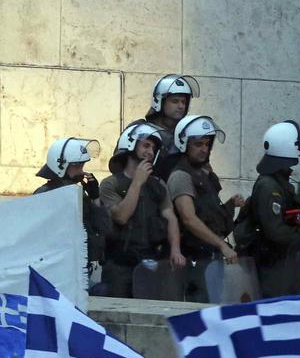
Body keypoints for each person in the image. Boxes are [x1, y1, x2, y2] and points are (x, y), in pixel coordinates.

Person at [239, 121, 300, 299]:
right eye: (298, 145)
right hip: (271, 264)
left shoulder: (278, 181)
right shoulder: (269, 186)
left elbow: (285, 212)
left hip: (281, 260)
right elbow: (275, 230)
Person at [100, 119, 186, 298]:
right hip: (120, 266)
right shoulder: (111, 184)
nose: (150, 152)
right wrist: (137, 183)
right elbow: (121, 216)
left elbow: (170, 216)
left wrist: (175, 250)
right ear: (130, 144)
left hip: (151, 263)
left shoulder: (158, 184)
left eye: (153, 148)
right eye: (146, 145)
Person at [167, 114, 241, 303]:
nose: (204, 149)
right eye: (198, 144)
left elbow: (209, 215)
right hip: (195, 259)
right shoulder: (181, 176)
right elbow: (189, 219)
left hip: (210, 258)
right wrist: (222, 245)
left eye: (207, 144)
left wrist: (231, 205)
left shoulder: (204, 174)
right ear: (184, 144)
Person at [34, 137, 110, 284]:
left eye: (82, 166)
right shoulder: (44, 195)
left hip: (81, 267)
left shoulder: (80, 195)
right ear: (60, 165)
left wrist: (95, 198)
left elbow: (103, 228)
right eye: (77, 166)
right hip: (56, 269)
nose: (81, 171)